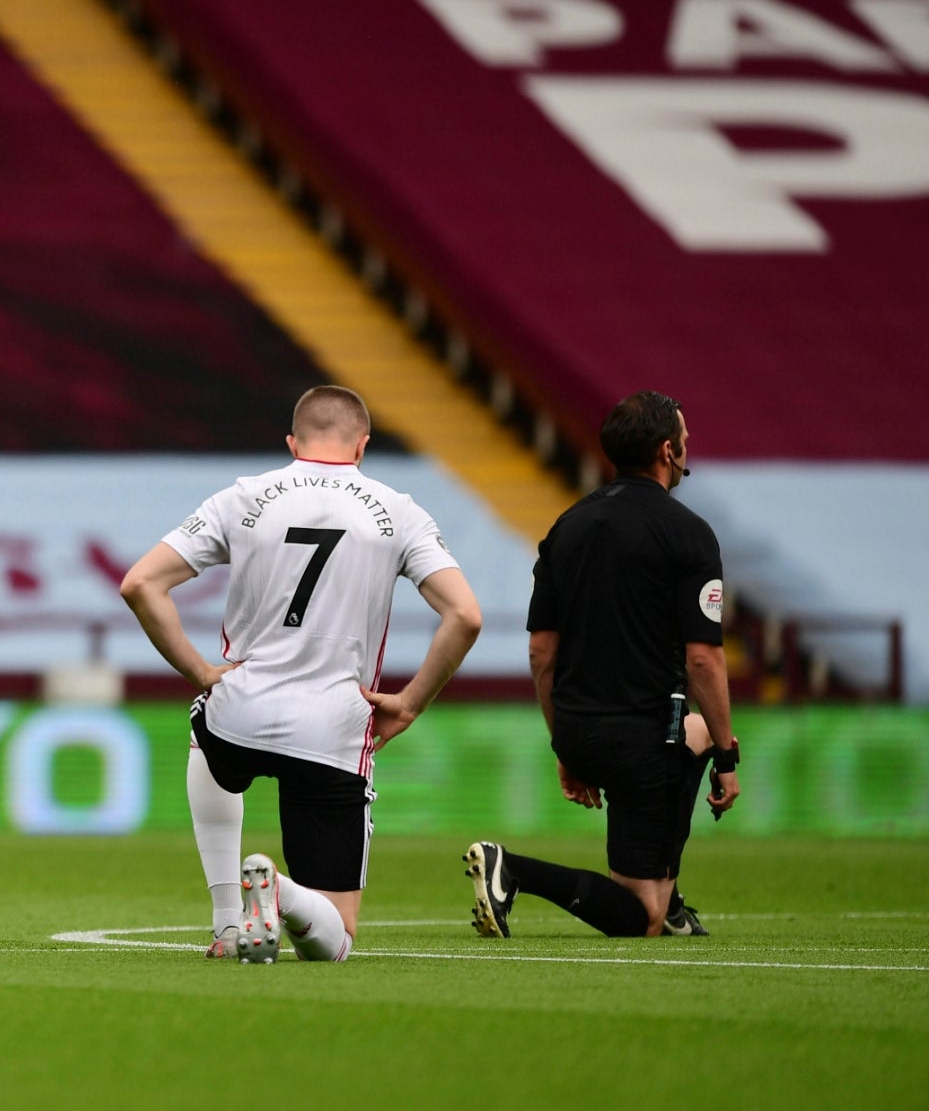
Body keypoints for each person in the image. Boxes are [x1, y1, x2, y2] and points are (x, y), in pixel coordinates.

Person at [120, 385, 483, 963]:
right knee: (333, 941)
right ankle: (280, 891)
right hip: (333, 729)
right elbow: (465, 616)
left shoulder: (242, 497)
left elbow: (139, 583)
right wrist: (410, 702)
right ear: (362, 446)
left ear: (292, 443)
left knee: (204, 732)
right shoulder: (399, 509)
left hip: (240, 708)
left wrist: (200, 671)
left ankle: (225, 923)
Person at [466, 391, 741, 940]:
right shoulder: (689, 532)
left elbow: (541, 652)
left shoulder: (567, 527)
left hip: (579, 729)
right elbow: (704, 659)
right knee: (643, 919)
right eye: (684, 443)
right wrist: (730, 756)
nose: (688, 452)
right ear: (667, 451)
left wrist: (562, 744)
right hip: (644, 740)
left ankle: (671, 888)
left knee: (699, 731)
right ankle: (513, 868)